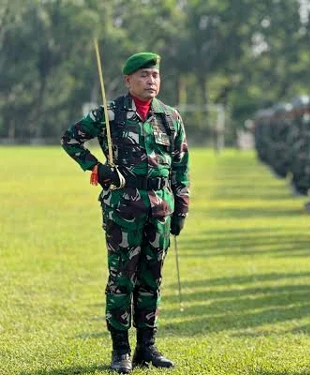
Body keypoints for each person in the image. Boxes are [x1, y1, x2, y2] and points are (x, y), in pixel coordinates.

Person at [61, 52, 190, 374]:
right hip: (124, 206)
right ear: (128, 80)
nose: (151, 81)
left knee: (152, 279)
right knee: (122, 279)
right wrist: (97, 169)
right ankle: (121, 350)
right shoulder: (110, 114)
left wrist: (181, 205)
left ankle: (148, 347)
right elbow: (70, 139)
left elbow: (181, 165)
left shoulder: (170, 117)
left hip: (160, 206)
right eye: (144, 75)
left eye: (155, 75)